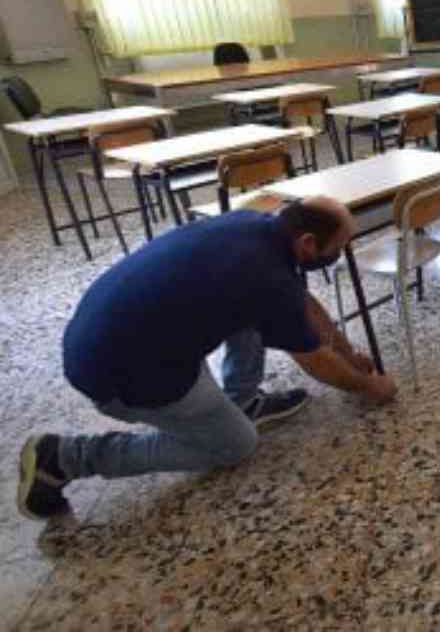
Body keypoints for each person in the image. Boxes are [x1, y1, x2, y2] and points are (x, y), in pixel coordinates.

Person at [17, 197, 397, 521]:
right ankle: (63, 458)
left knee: (250, 314)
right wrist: (369, 386)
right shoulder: (269, 277)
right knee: (236, 445)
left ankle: (243, 401)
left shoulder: (257, 226)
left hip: (116, 335)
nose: (339, 254)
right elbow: (316, 362)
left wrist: (349, 353)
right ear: (309, 243)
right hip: (121, 372)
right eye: (339, 246)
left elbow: (303, 305)